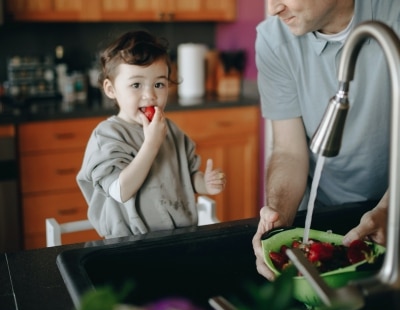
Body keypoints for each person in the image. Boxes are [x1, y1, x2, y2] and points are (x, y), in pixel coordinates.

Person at [252, 0, 398, 280]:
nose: (273, 8)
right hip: (322, 214)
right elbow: (288, 151)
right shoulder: (273, 40)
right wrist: (279, 221)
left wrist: (391, 208)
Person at [77, 30, 226, 238]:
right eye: (136, 85)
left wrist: (206, 183)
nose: (150, 95)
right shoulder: (107, 137)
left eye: (159, 84)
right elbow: (120, 191)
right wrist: (152, 144)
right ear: (111, 89)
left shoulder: (172, 131)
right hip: (128, 245)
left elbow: (189, 177)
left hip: (179, 239)